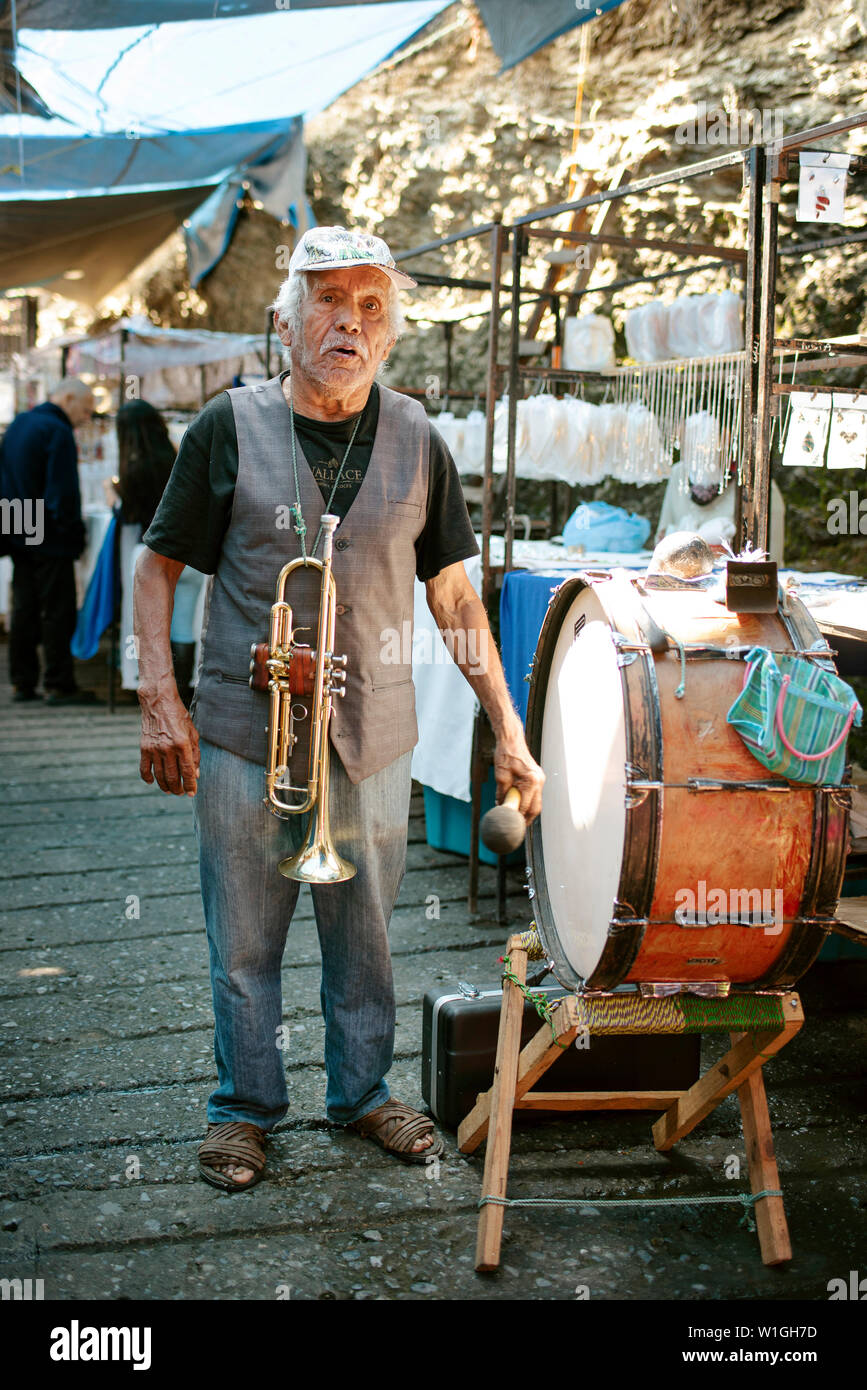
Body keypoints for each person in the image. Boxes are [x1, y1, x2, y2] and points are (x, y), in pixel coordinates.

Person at [134, 225, 545, 1191]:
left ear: (390, 333)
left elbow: (451, 597)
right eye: (326, 299)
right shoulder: (226, 427)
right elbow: (156, 573)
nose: (347, 322)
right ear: (287, 320)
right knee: (243, 938)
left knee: (364, 932)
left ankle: (361, 1094)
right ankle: (244, 1109)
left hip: (374, 738)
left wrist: (509, 729)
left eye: (369, 306)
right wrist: (160, 699)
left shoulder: (417, 438)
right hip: (247, 731)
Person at [1, 377, 97, 704]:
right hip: (49, 534)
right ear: (68, 398)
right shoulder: (57, 431)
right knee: (58, 609)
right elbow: (63, 491)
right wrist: (73, 533)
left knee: (25, 606)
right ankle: (59, 682)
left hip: (17, 523)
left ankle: (22, 681)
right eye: (85, 410)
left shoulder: (19, 424)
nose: (85, 418)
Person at [115, 400, 201, 704]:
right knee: (184, 621)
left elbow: (129, 514)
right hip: (187, 553)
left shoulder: (133, 467)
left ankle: (150, 684)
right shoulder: (175, 457)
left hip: (151, 552)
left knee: (146, 624)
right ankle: (182, 689)